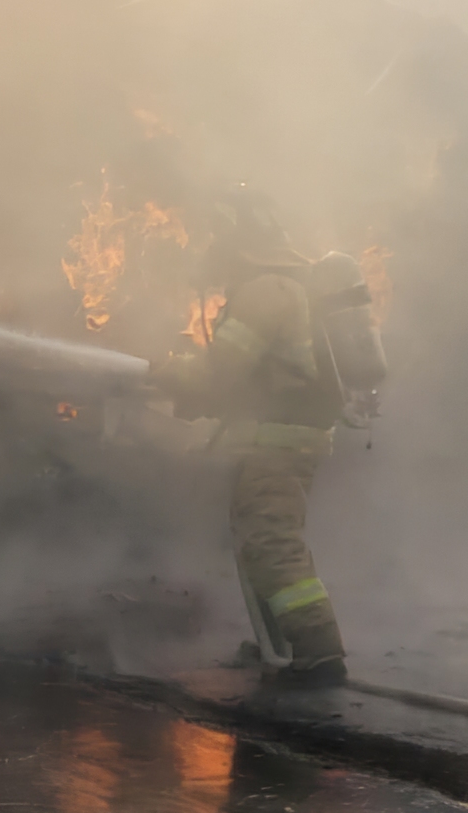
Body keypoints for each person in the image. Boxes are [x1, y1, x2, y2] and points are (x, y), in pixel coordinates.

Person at [145, 190, 350, 688]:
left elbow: (224, 370)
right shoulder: (282, 286)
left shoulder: (266, 292)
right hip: (276, 437)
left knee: (273, 542)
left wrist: (167, 374)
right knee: (258, 542)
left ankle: (319, 655)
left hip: (276, 444)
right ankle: (276, 643)